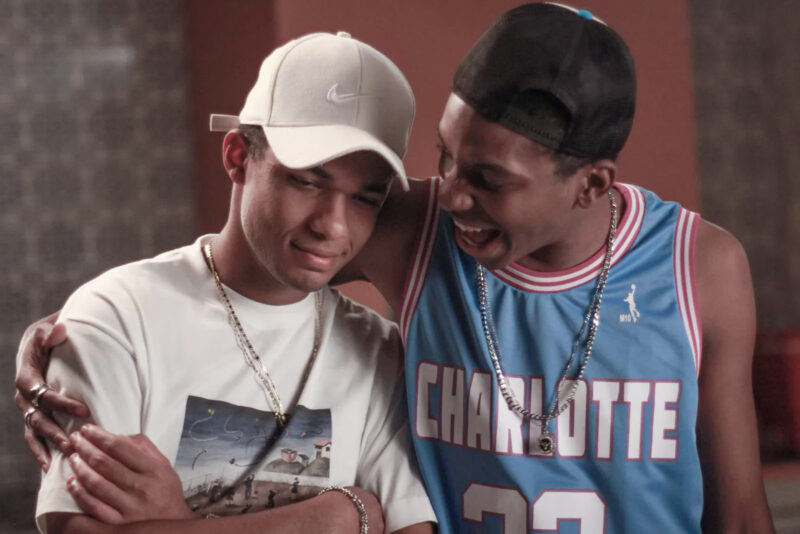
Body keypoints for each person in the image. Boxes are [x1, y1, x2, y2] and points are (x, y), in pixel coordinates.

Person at [16, 4, 774, 533]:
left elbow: (739, 515)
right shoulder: (418, 226)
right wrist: (79, 331)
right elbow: (254, 261)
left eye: (489, 179)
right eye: (446, 156)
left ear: (592, 184)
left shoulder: (699, 268)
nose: (451, 193)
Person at [19, 31, 435, 534]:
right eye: (307, 181)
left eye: (365, 198)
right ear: (238, 156)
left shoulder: (378, 352)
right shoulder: (117, 317)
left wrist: (178, 522)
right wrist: (334, 517)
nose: (333, 225)